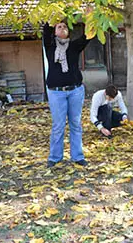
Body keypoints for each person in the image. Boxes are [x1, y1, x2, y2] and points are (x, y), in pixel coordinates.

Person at [43, 15, 93, 168]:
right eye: (59, 27)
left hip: (75, 91)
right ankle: (55, 157)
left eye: (65, 27)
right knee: (58, 125)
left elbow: (88, 36)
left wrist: (90, 16)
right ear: (54, 31)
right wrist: (52, 12)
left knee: (76, 124)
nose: (62, 28)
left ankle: (77, 157)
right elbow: (46, 30)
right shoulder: (50, 46)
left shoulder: (74, 46)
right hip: (56, 92)